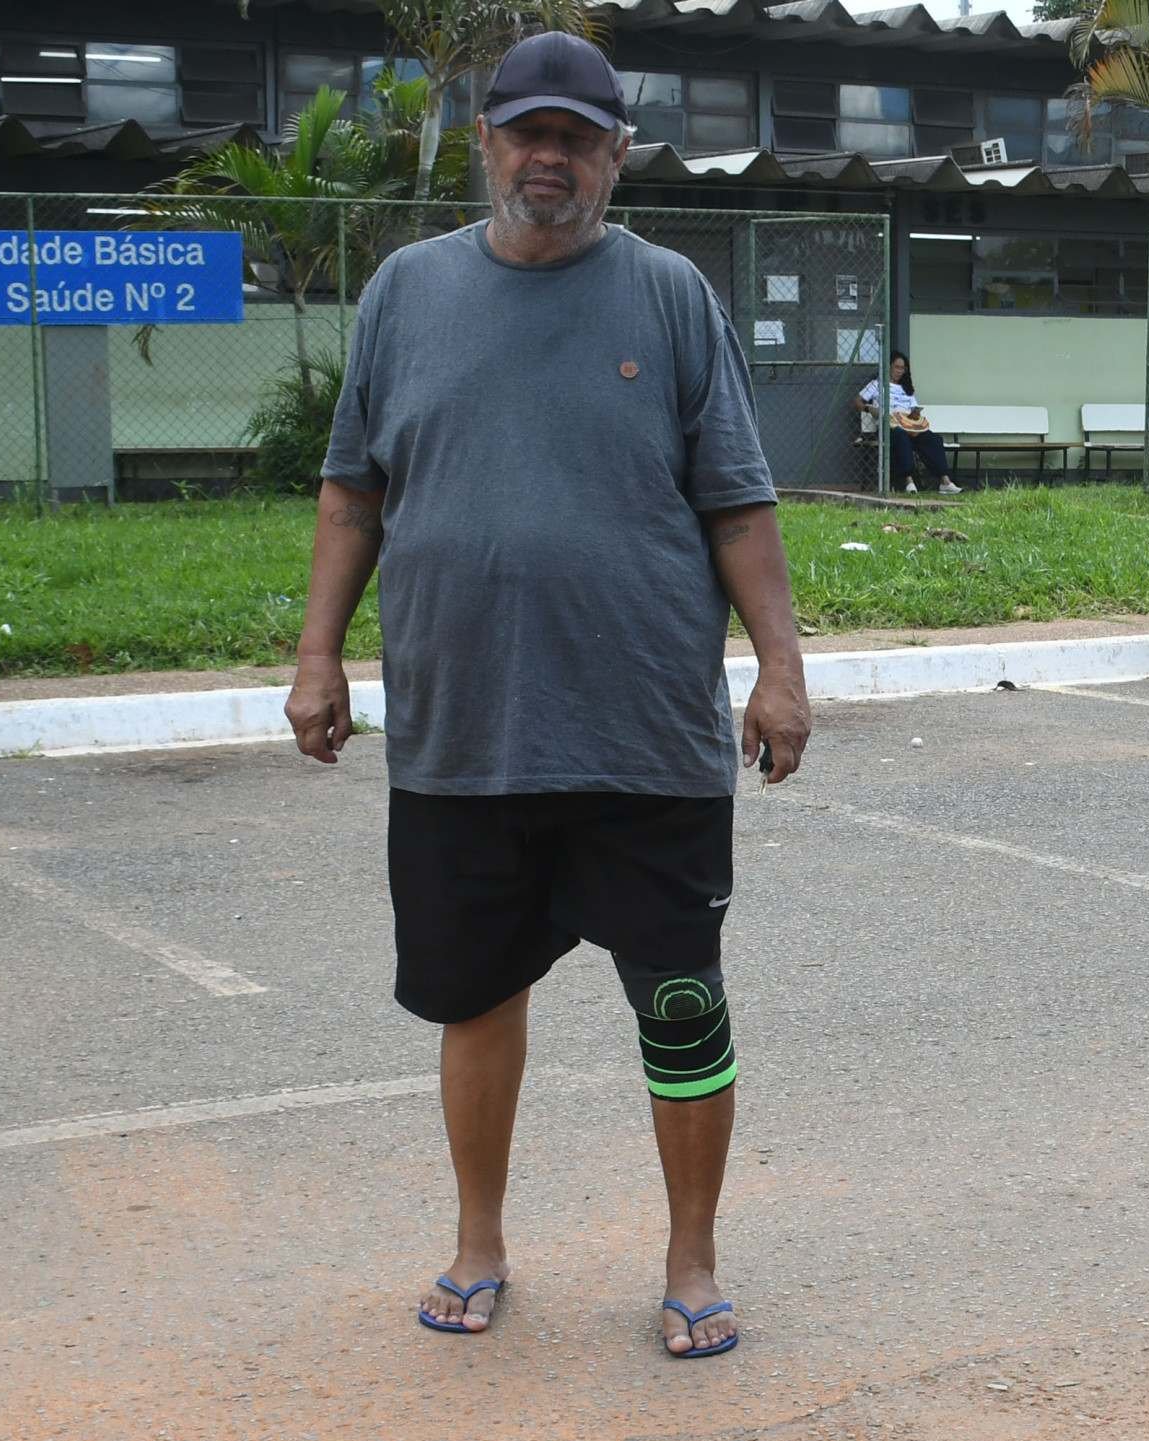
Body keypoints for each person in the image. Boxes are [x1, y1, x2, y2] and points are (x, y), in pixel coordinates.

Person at [285, 29, 811, 1360]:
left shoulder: (671, 296)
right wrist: (315, 653)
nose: (549, 159)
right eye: (528, 133)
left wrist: (781, 673)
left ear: (616, 157)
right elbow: (354, 492)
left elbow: (736, 504)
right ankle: (479, 1241)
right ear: (488, 141)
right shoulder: (407, 294)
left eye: (577, 139)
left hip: (645, 736)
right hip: (466, 733)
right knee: (476, 1002)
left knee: (679, 1000)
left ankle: (691, 1261)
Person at [859, 352, 962, 494]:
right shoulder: (877, 384)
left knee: (933, 439)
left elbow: (914, 410)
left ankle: (945, 481)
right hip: (890, 426)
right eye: (897, 367)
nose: (900, 371)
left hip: (908, 426)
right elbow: (857, 401)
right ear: (888, 367)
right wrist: (869, 408)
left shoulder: (906, 388)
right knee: (901, 436)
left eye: (903, 368)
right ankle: (908, 481)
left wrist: (915, 414)